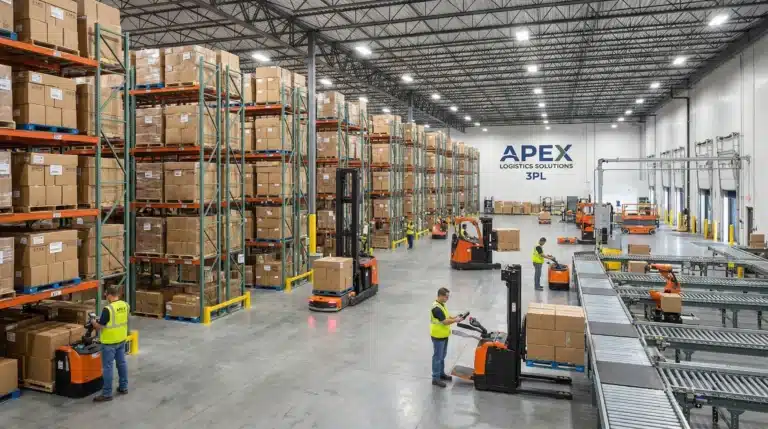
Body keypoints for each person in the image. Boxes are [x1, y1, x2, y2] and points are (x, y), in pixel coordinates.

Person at [91, 285, 130, 402]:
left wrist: (93, 322)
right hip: (121, 339)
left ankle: (107, 393)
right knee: (122, 363)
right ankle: (124, 387)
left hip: (109, 342)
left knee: (107, 367)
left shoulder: (108, 309)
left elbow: (100, 327)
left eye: (106, 295)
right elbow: (119, 320)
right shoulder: (125, 305)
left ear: (109, 295)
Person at [430, 287, 465, 388]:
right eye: (446, 297)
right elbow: (444, 321)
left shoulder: (442, 305)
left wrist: (455, 317)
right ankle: (435, 378)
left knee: (442, 356)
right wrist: (456, 320)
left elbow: (447, 317)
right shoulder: (436, 308)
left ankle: (441, 374)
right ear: (440, 296)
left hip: (444, 335)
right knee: (437, 357)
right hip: (438, 336)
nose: (447, 299)